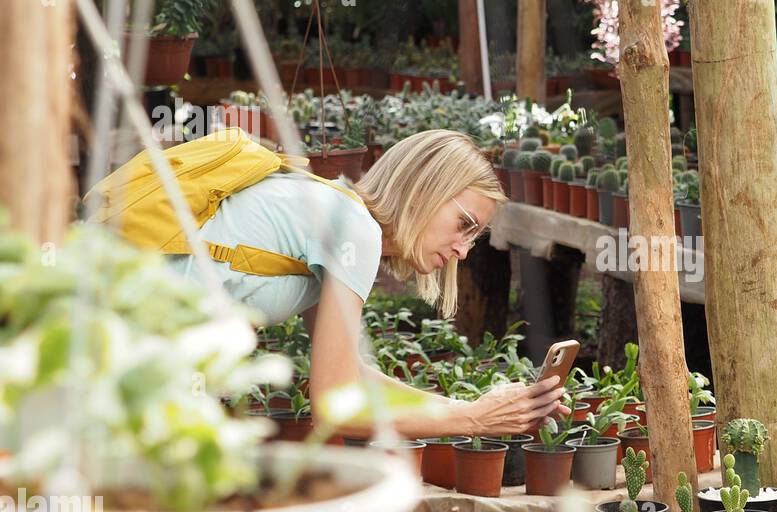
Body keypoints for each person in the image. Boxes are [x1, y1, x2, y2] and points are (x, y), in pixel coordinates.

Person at [169, 129, 564, 436]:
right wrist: (472, 420)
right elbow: (333, 408)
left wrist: (476, 408)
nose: (463, 251)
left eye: (474, 236)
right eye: (464, 225)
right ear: (423, 190)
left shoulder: (337, 211)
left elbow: (352, 374)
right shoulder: (355, 228)